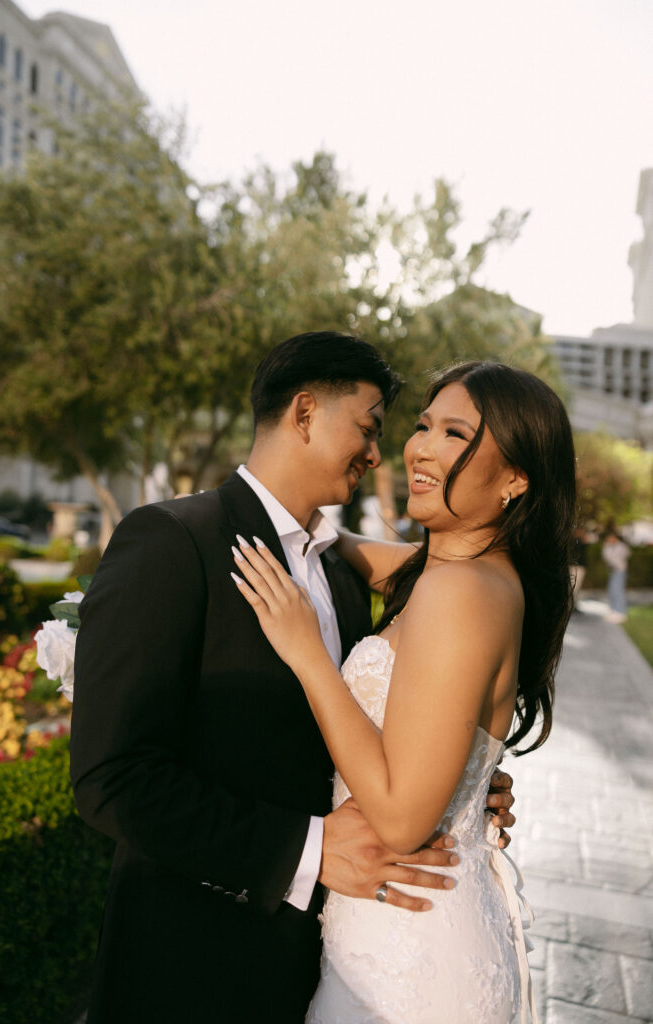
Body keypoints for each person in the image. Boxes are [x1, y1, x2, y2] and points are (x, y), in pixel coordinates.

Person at [70, 333, 517, 1024]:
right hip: (190, 969)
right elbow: (112, 780)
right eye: (368, 428)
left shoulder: (342, 574)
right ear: (304, 414)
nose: (378, 453)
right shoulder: (171, 542)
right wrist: (307, 852)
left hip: (321, 968)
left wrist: (458, 769)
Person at [233, 360, 576, 1023]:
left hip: (409, 957)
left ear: (513, 480)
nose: (417, 447)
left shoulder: (460, 592)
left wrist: (309, 657)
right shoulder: (457, 573)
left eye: (454, 434)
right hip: (397, 927)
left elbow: (399, 820)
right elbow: (347, 548)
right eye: (421, 425)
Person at [602, 522, 631, 623]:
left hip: (620, 571)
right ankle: (614, 610)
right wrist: (607, 547)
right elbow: (606, 557)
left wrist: (609, 548)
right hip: (612, 571)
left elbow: (617, 558)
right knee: (612, 591)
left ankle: (621, 612)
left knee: (618, 591)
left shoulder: (621, 546)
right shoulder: (609, 546)